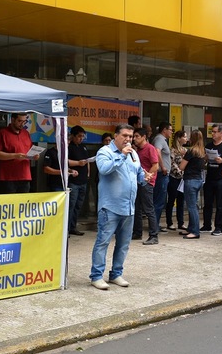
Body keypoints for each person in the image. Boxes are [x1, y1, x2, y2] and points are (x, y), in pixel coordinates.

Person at [89, 124, 145, 290]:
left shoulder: (133, 153)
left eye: (131, 136)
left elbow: (138, 171)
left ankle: (116, 274)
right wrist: (121, 155)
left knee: (123, 244)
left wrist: (144, 177)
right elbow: (104, 169)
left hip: (129, 207)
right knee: (103, 242)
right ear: (116, 136)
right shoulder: (104, 152)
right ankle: (96, 276)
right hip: (110, 207)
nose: (128, 139)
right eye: (125, 136)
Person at [201, 123, 222, 236]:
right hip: (210, 177)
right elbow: (205, 161)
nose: (213, 134)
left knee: (220, 204)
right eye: (212, 132)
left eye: (215, 132)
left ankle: (219, 227)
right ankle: (206, 225)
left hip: (221, 178)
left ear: (221, 133)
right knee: (207, 203)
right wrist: (206, 158)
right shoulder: (209, 145)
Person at [0, 113, 36, 193]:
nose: (22, 124)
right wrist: (15, 155)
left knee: (24, 203)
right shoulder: (3, 133)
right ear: (12, 120)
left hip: (25, 175)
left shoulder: (26, 133)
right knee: (9, 203)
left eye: (24, 121)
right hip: (8, 177)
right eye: (19, 121)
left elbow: (30, 151)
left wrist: (35, 156)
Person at [132, 128, 159, 245]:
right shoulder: (138, 150)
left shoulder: (150, 148)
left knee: (148, 209)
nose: (134, 139)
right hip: (138, 182)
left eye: (137, 136)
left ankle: (154, 235)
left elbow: (155, 165)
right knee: (137, 208)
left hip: (146, 183)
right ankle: (137, 232)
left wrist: (147, 177)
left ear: (144, 137)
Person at [179, 130, 206, 239]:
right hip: (198, 180)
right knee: (194, 205)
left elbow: (181, 167)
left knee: (191, 207)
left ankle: (195, 231)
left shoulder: (191, 151)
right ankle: (191, 228)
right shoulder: (202, 151)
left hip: (190, 180)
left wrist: (183, 157)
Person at [66, 126, 90, 235]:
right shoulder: (68, 147)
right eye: (79, 136)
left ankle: (73, 227)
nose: (81, 139)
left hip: (83, 180)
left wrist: (88, 172)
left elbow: (87, 160)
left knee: (78, 206)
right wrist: (78, 163)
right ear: (73, 136)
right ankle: (66, 229)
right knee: (70, 206)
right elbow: (65, 161)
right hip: (73, 181)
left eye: (83, 137)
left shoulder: (83, 147)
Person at [152, 122, 172, 232]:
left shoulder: (163, 140)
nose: (171, 132)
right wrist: (162, 166)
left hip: (163, 174)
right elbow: (157, 151)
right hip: (161, 174)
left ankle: (156, 224)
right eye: (170, 130)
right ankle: (154, 225)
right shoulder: (159, 139)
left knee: (160, 200)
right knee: (159, 201)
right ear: (164, 130)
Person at [166, 130, 187, 231]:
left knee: (181, 201)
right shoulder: (172, 150)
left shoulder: (185, 150)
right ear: (179, 138)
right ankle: (169, 222)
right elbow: (172, 163)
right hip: (174, 177)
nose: (186, 139)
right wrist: (179, 172)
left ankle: (181, 222)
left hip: (182, 179)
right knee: (171, 200)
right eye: (184, 137)